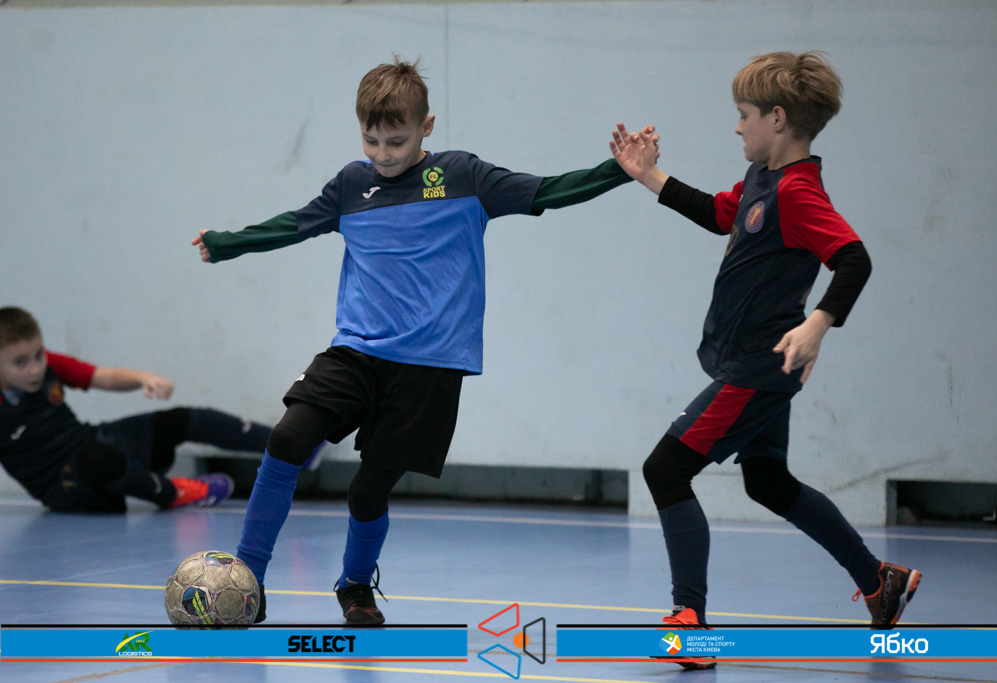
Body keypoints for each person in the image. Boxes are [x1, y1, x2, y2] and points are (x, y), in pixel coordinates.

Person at [192, 57, 637, 625]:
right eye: (371, 140)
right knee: (286, 440)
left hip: (429, 367)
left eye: (397, 141)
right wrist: (226, 243)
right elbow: (293, 224)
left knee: (368, 491)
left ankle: (355, 585)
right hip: (356, 351)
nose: (383, 153)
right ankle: (248, 580)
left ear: (426, 126)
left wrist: (619, 170)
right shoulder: (351, 185)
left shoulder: (465, 177)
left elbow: (547, 190)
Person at [609, 52, 920, 668]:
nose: (737, 127)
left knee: (665, 470)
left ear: (777, 118)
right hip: (757, 366)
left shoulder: (798, 191)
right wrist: (649, 175)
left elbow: (853, 259)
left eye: (744, 115)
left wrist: (818, 323)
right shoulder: (761, 177)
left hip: (758, 368)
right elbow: (719, 214)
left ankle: (690, 620)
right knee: (768, 482)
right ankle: (878, 581)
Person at [0, 306, 273, 513]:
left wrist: (143, 378)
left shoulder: (50, 365)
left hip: (91, 441)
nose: (35, 369)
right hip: (64, 485)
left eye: (39, 355)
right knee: (99, 459)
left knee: (181, 419)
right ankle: (173, 493)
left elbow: (102, 376)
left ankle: (285, 444)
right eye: (20, 363)